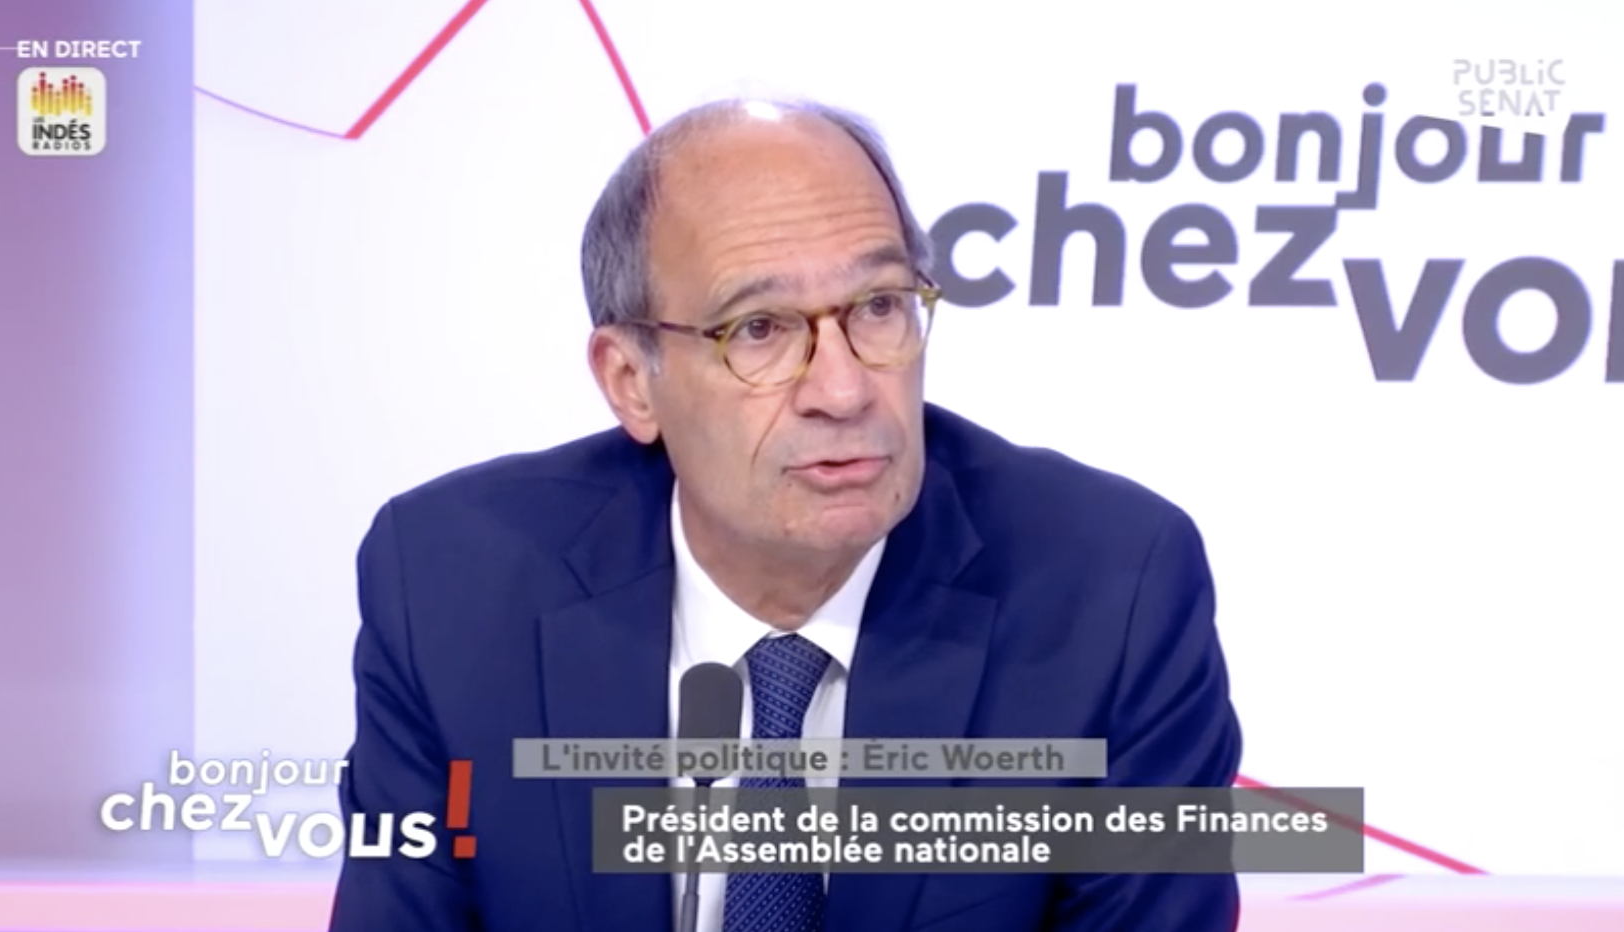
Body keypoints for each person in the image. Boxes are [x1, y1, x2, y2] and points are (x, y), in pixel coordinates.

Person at [328, 98, 1241, 932]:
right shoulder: (450, 586)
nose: (844, 390)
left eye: (878, 307)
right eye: (758, 328)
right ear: (631, 381)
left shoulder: (1112, 592)